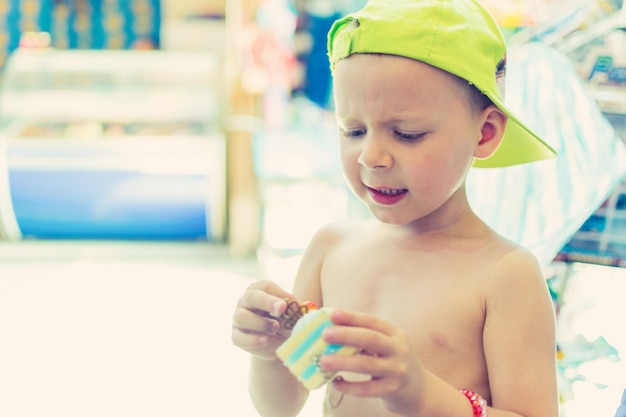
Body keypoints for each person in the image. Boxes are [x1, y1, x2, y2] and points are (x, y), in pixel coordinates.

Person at [231, 0, 560, 416]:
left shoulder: (506, 274)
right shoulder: (331, 248)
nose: (370, 156)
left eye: (407, 134)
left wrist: (424, 396)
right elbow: (280, 407)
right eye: (353, 130)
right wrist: (268, 352)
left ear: (485, 133)